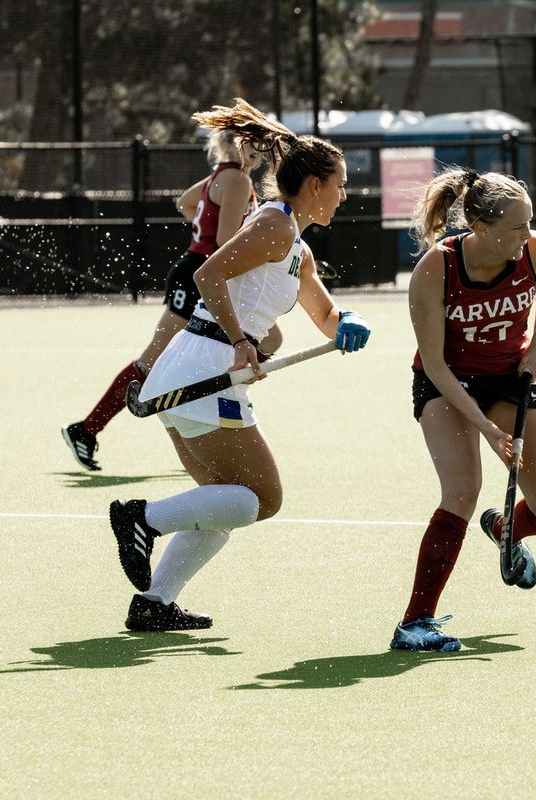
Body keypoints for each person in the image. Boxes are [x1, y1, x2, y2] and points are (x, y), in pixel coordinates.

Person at [107, 98, 371, 632]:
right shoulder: (274, 225)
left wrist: (347, 320)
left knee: (222, 500)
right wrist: (240, 340)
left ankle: (155, 602)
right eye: (340, 185)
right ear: (314, 185)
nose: (344, 196)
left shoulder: (296, 246)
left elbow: (324, 314)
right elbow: (208, 274)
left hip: (198, 370)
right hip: (206, 368)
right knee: (263, 499)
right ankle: (142, 518)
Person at [390, 168, 536, 652]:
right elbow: (434, 364)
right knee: (462, 489)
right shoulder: (437, 268)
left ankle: (503, 527)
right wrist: (489, 430)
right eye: (516, 226)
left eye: (529, 222)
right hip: (446, 383)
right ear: (480, 227)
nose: (527, 234)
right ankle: (415, 623)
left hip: (509, 377)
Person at [61, 129, 282, 471]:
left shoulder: (221, 176)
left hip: (198, 269)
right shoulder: (237, 180)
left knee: (268, 338)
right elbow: (225, 240)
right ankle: (86, 430)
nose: (264, 149)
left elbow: (186, 204)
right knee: (153, 359)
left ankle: (206, 412)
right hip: (204, 275)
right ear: (242, 145)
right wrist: (265, 252)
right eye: (257, 142)